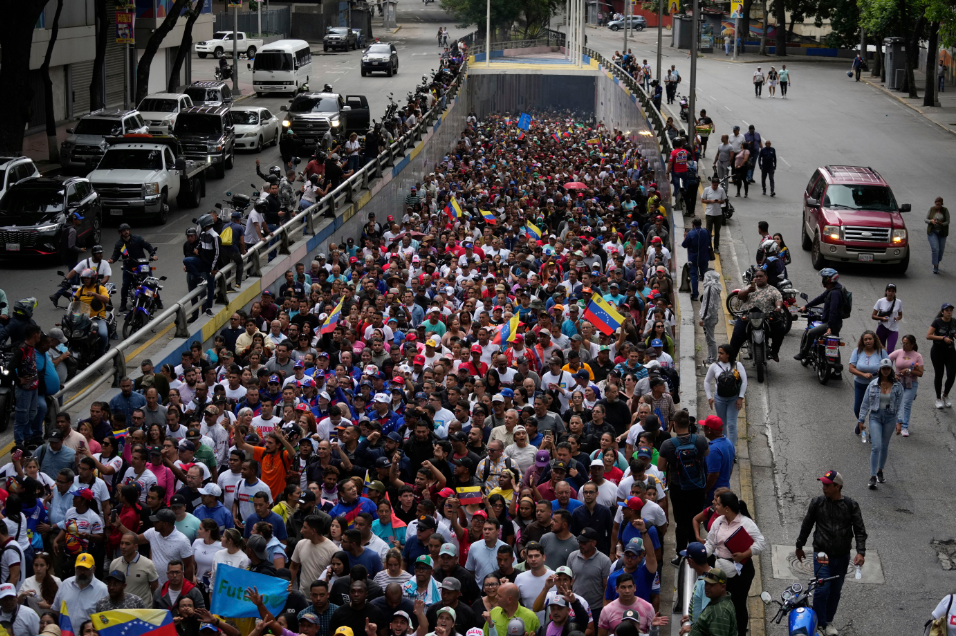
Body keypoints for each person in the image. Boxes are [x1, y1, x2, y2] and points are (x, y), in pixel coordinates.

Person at [794, 470, 867, 636]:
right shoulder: (817, 503)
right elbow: (807, 525)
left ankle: (828, 620)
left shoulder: (850, 505)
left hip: (842, 556)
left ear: (837, 487)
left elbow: (860, 531)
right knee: (822, 589)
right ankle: (821, 623)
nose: (824, 488)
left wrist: (860, 552)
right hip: (822, 555)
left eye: (827, 485)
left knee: (835, 590)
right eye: (823, 484)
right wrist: (799, 546)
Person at [702, 492, 763, 636]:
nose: (715, 506)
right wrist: (700, 553)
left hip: (741, 573)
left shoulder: (746, 523)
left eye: (718, 504)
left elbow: (761, 544)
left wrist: (744, 554)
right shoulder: (718, 522)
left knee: (738, 605)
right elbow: (710, 543)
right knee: (718, 603)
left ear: (727, 508)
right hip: (720, 572)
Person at [857, 359, 903, 489]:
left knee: (884, 446)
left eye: (888, 368)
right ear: (880, 370)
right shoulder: (872, 385)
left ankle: (880, 471)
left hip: (890, 418)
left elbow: (900, 405)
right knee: (876, 446)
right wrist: (861, 420)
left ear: (891, 370)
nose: (886, 371)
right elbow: (865, 403)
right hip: (876, 417)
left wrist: (900, 422)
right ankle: (872, 476)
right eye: (884, 368)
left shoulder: (897, 386)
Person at [728, 268, 783, 363]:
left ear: (766, 277)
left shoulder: (773, 290)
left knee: (780, 329)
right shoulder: (749, 287)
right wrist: (748, 291)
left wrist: (778, 307)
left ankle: (774, 352)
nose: (758, 278)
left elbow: (778, 299)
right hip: (747, 317)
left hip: (765, 317)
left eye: (761, 276)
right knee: (736, 337)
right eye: (756, 277)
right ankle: (730, 361)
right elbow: (740, 296)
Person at [794, 269, 845, 362]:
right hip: (835, 323)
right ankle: (837, 372)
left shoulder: (835, 293)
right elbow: (819, 299)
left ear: (828, 279)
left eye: (824, 278)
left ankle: (804, 353)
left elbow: (833, 311)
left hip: (831, 323)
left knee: (811, 333)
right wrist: (806, 306)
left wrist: (829, 327)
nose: (822, 280)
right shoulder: (832, 290)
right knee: (833, 346)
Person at [51, 554, 108, 635]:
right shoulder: (65, 584)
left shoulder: (103, 590)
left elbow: (105, 620)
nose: (82, 572)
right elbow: (55, 610)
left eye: (85, 569)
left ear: (94, 569)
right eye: (79, 568)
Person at [107, 224, 158, 313]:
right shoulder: (119, 244)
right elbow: (115, 255)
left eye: (127, 230)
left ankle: (157, 301)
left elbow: (148, 246)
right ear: (120, 233)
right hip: (129, 267)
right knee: (125, 285)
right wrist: (112, 260)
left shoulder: (138, 238)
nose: (126, 232)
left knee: (151, 282)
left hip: (142, 265)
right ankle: (123, 304)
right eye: (124, 231)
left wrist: (153, 254)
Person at [704, 345, 746, 448]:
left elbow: (744, 381)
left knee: (732, 424)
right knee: (722, 425)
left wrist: (740, 397)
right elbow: (707, 381)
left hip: (733, 399)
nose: (719, 355)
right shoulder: (714, 366)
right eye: (718, 353)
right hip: (719, 399)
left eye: (722, 353)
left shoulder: (737, 365)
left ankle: (730, 449)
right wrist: (709, 397)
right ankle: (724, 447)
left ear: (728, 354)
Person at [848, 331, 888, 434]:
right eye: (865, 339)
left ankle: (874, 430)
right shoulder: (857, 351)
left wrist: (881, 371)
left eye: (870, 339)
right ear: (862, 341)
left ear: (874, 340)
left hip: (878, 385)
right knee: (858, 409)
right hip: (861, 384)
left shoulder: (882, 352)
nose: (868, 341)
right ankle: (860, 422)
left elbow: (888, 367)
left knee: (880, 409)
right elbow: (851, 368)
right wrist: (863, 374)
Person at [678, 568, 736, 636]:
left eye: (711, 585)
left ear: (723, 587)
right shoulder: (717, 600)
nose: (707, 587)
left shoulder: (720, 613)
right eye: (706, 583)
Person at [888, 334, 923, 437]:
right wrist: (893, 373)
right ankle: (894, 422)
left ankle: (904, 427)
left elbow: (920, 373)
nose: (904, 345)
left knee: (906, 404)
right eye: (903, 343)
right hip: (897, 382)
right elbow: (885, 361)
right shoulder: (898, 352)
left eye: (906, 343)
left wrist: (908, 370)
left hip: (911, 383)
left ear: (912, 345)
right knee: (893, 402)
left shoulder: (917, 356)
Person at [928, 302, 956, 408]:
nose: (949, 313)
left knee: (951, 375)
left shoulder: (954, 321)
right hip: (937, 352)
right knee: (939, 375)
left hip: (950, 351)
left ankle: (945, 395)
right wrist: (943, 338)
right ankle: (938, 399)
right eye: (947, 311)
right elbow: (928, 336)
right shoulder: (937, 322)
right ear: (943, 312)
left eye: (951, 311)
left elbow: (954, 333)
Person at [681, 218, 711, 302]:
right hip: (704, 258)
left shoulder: (690, 234)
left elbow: (684, 245)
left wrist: (685, 236)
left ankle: (695, 295)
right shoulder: (706, 232)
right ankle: (707, 294)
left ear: (693, 225)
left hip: (693, 259)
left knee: (694, 277)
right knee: (705, 276)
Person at [872, 283, 903, 352]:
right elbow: (873, 316)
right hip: (882, 328)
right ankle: (880, 362)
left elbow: (900, 315)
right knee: (880, 350)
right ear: (886, 291)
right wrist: (881, 318)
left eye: (893, 291)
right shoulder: (880, 301)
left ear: (895, 292)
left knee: (890, 351)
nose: (890, 293)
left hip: (893, 329)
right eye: (889, 291)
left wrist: (898, 318)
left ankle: (889, 363)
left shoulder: (898, 302)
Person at [927, 197, 950, 274]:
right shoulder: (931, 209)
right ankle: (935, 265)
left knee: (940, 250)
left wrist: (942, 223)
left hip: (942, 233)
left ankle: (937, 261)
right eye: (936, 204)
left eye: (939, 205)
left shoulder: (945, 210)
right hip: (932, 231)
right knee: (935, 248)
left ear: (941, 204)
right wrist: (931, 221)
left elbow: (948, 221)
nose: (937, 206)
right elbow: (925, 219)